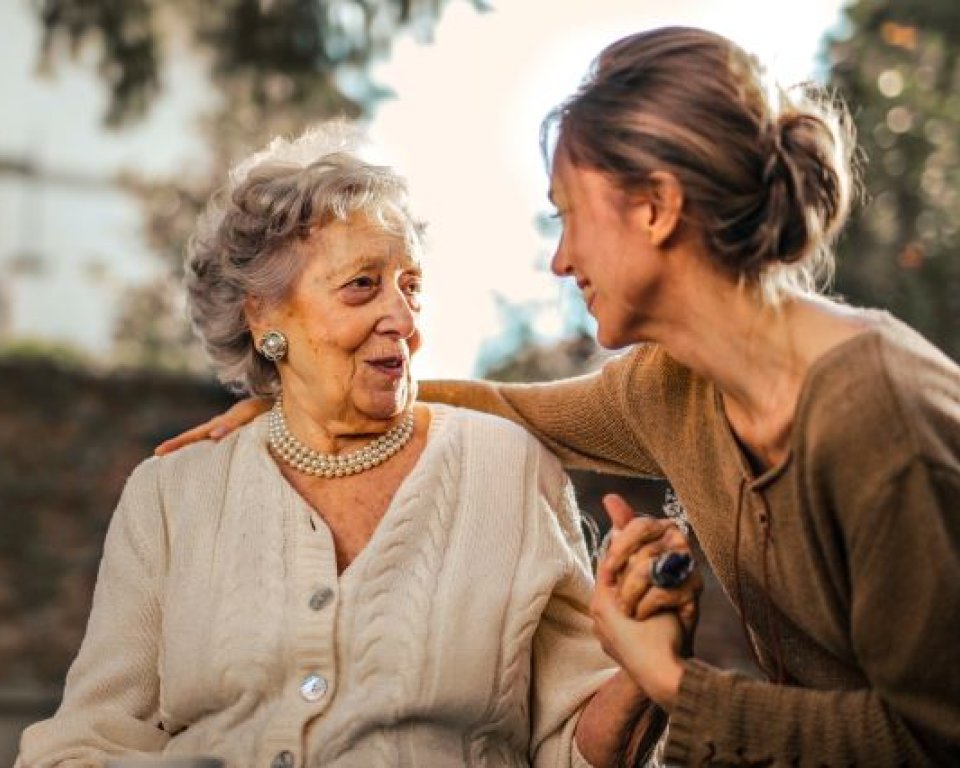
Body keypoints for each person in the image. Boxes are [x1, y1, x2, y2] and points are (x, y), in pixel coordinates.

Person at [160, 26, 960, 766]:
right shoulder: (674, 388)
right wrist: (303, 399)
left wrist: (676, 686)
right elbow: (509, 408)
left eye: (569, 218)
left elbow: (933, 737)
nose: (562, 259)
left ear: (655, 208)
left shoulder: (878, 419)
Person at [17, 121, 697, 768]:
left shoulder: (508, 469)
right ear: (263, 316)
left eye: (412, 287)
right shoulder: (171, 495)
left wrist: (644, 671)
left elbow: (575, 751)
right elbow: (85, 741)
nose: (401, 319)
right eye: (363, 286)